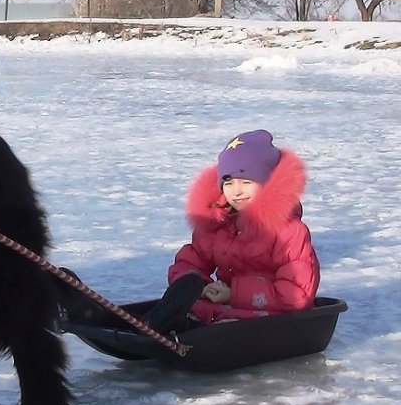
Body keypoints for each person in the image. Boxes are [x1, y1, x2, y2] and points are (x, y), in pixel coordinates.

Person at [58, 129, 320, 334]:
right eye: (229, 182)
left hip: (267, 317)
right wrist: (202, 287)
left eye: (246, 181)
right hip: (221, 308)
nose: (236, 191)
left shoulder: (288, 232)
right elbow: (189, 262)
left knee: (211, 323)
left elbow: (297, 294)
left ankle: (159, 328)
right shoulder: (220, 223)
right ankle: (103, 317)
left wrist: (234, 294)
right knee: (194, 306)